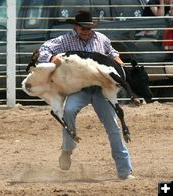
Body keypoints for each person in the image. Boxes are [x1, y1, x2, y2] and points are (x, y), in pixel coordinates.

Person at [38, 10, 135, 180]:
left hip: (101, 89)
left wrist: (118, 61)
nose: (86, 31)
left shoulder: (101, 39)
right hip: (78, 89)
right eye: (83, 28)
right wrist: (51, 57)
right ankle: (67, 150)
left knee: (113, 125)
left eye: (88, 28)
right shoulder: (64, 40)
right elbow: (43, 49)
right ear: (75, 27)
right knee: (68, 111)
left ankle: (125, 171)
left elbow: (111, 52)